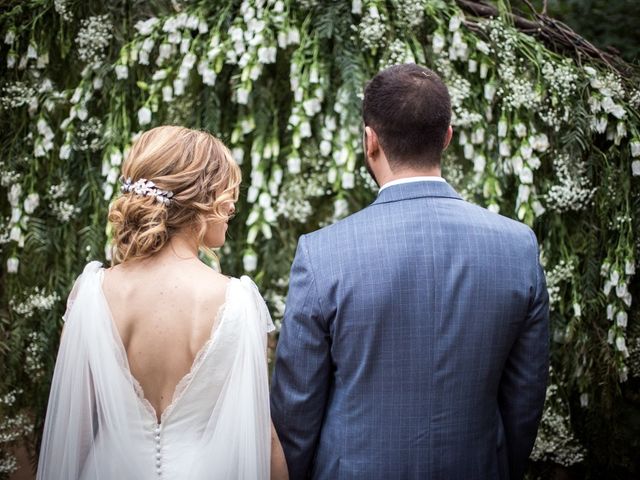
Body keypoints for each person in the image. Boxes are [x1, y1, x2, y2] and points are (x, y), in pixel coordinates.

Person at [270, 64, 549, 480]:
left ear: (370, 141)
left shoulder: (322, 253)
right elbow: (525, 397)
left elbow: (297, 407)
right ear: (448, 136)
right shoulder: (518, 245)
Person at [37, 126, 288, 480]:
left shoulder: (91, 294)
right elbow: (263, 436)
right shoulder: (238, 301)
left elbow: (70, 427)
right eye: (227, 190)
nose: (233, 204)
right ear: (197, 196)